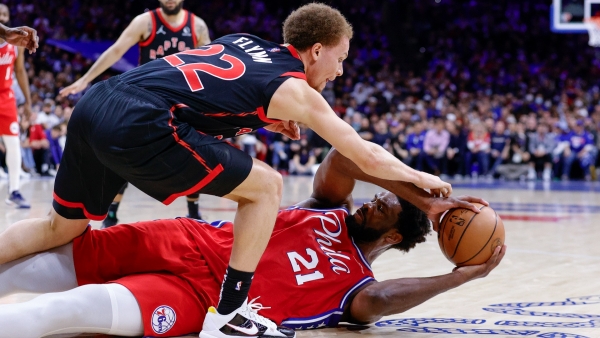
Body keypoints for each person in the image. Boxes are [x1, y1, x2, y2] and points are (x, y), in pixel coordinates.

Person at [0, 4, 451, 338]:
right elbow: (363, 153)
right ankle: (234, 311)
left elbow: (203, 88)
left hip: (99, 102)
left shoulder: (241, 39)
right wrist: (421, 178)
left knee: (60, 227)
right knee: (266, 186)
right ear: (316, 50)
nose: (338, 70)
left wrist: (257, 117)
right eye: (340, 58)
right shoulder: (298, 89)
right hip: (141, 122)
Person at [0, 149, 504, 337]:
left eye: (383, 208)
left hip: (205, 303)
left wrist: (462, 276)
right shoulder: (324, 208)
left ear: (393, 235)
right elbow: (345, 160)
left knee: (68, 309)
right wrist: (420, 192)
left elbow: (379, 304)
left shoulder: (359, 287)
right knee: (36, 267)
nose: (369, 203)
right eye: (377, 198)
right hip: (185, 240)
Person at [59, 0, 211, 227]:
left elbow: (209, 63)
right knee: (124, 152)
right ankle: (111, 215)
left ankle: (194, 212)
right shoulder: (145, 22)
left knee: (196, 150)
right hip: (147, 99)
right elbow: (116, 50)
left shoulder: (197, 26)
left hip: (181, 100)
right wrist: (85, 80)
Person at [0, 4, 33, 208]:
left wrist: (28, 101)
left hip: (6, 97)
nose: (2, 17)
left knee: (13, 144)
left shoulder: (15, 43)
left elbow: (20, 72)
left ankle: (14, 191)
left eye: (4, 14)